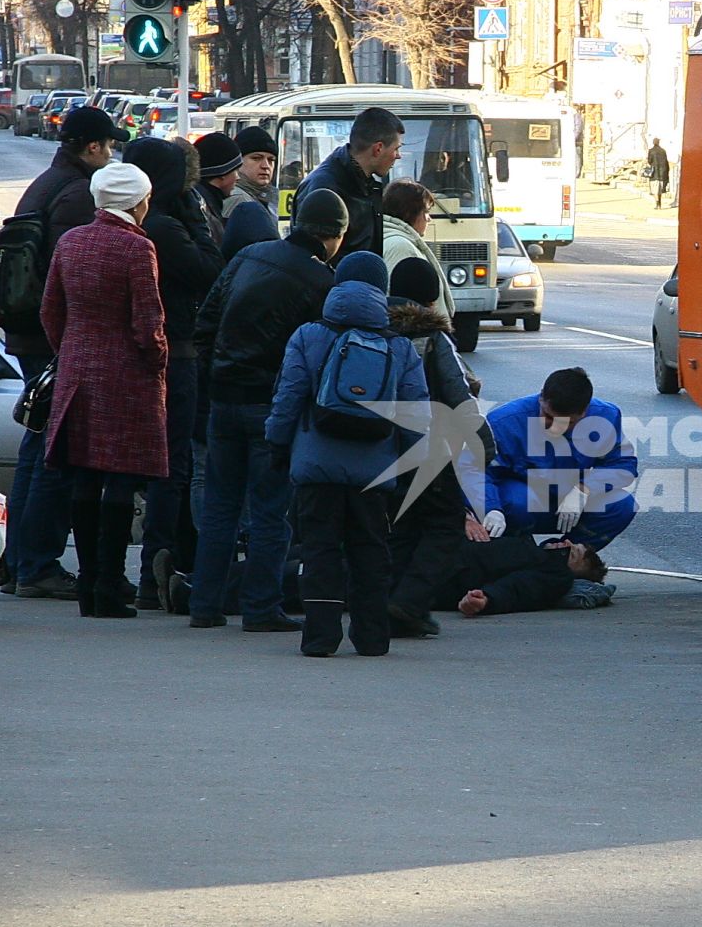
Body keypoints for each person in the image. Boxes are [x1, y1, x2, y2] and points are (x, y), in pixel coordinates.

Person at [188, 188, 344, 632]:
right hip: (270, 409)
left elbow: (207, 323)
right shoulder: (322, 283)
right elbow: (314, 358)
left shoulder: (249, 256)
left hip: (223, 400)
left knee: (220, 506)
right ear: (334, 236)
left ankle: (205, 604)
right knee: (270, 512)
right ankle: (260, 608)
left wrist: (213, 378)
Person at [265, 252, 428, 657]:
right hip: (374, 472)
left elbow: (287, 398)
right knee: (370, 551)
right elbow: (416, 415)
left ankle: (320, 637)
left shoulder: (309, 335)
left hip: (316, 466)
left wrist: (277, 442)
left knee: (320, 551)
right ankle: (372, 637)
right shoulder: (401, 347)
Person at [5, 104, 128, 602]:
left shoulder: (46, 182)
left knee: (38, 450)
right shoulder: (79, 194)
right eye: (109, 145)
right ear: (93, 147)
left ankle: (21, 563)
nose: (112, 153)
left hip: (31, 334)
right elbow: (73, 280)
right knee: (55, 454)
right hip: (56, 339)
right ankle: (37, 564)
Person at [41, 162, 169, 618]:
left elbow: (50, 311)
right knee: (119, 477)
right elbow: (148, 323)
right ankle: (111, 586)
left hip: (77, 372)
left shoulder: (70, 242)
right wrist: (157, 363)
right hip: (127, 377)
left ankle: (88, 585)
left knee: (83, 475)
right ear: (138, 202)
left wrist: (74, 350)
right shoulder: (138, 249)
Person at [121, 136, 225, 609]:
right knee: (171, 465)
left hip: (154, 354)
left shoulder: (138, 225)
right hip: (175, 354)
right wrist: (197, 218)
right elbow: (208, 269)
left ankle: (160, 565)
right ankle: (156, 569)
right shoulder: (163, 225)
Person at [384, 255, 488, 637]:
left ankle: (398, 605)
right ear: (430, 300)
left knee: (404, 527)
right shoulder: (433, 338)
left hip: (382, 447)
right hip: (428, 449)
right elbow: (460, 395)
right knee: (444, 527)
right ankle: (408, 601)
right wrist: (484, 448)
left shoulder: (375, 329)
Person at [483, 367, 638, 550]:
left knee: (622, 505)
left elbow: (623, 464)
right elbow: (479, 472)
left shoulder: (605, 416)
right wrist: (491, 508)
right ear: (541, 398)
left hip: (570, 498)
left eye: (567, 422)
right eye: (548, 416)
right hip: (521, 502)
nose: (556, 426)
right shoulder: (504, 422)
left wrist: (584, 489)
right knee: (518, 502)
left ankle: (561, 557)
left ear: (585, 413)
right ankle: (518, 555)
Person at [294, 106, 400, 258]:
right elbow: (310, 258)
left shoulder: (364, 183)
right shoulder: (325, 187)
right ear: (378, 149)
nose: (398, 156)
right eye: (396, 149)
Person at [435, 530, 609, 619]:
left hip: (442, 571)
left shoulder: (557, 575)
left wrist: (487, 599)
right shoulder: (534, 549)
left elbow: (520, 588)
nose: (565, 543)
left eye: (571, 553)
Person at [380, 178, 453, 319]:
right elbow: (399, 302)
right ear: (409, 212)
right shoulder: (400, 246)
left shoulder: (393, 238)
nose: (429, 219)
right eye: (425, 212)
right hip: (416, 332)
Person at [193, 131, 242, 247]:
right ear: (222, 173)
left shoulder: (202, 202)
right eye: (235, 171)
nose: (238, 177)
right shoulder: (202, 210)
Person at [223, 126, 278, 218]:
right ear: (238, 162)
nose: (266, 166)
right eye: (256, 158)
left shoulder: (267, 197)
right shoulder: (238, 200)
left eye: (271, 160)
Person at [645, 137, 671, 208]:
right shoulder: (663, 151)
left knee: (654, 190)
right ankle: (659, 203)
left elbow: (650, 161)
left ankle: (657, 204)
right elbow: (666, 162)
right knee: (660, 190)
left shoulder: (651, 151)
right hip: (663, 174)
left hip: (654, 174)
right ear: (659, 142)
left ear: (653, 142)